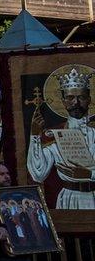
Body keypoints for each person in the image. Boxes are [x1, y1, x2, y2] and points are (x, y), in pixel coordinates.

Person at [27, 67, 95, 209]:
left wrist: (90, 173)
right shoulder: (55, 134)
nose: (75, 102)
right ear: (63, 101)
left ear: (89, 100)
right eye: (70, 98)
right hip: (70, 199)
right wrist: (34, 135)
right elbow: (38, 174)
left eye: (81, 97)